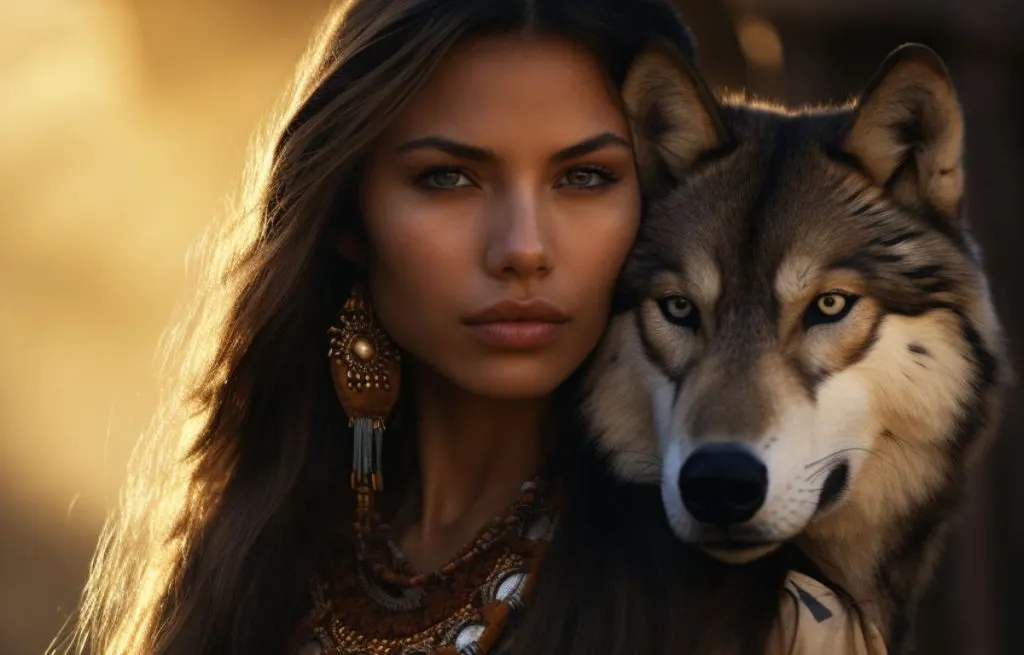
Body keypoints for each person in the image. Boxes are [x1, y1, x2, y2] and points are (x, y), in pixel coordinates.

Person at [59, 1, 886, 654]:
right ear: (351, 218)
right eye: (449, 177)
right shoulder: (248, 557)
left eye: (586, 176)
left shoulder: (768, 626)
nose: (524, 247)